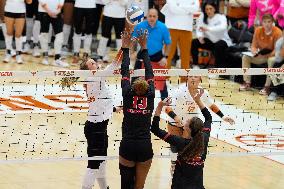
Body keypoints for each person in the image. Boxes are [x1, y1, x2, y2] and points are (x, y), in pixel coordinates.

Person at [164, 75, 235, 175]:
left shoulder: (203, 92)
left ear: (200, 79)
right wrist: (176, 117)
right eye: (191, 76)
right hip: (174, 122)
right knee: (174, 146)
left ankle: (184, 167)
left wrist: (223, 117)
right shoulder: (178, 91)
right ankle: (173, 164)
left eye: (196, 76)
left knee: (187, 148)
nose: (193, 78)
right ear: (187, 79)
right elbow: (167, 108)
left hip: (190, 124)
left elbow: (211, 105)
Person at [151, 90, 212, 189]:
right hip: (198, 186)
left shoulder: (180, 142)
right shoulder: (204, 138)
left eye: (187, 122)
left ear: (188, 129)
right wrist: (198, 100)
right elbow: (208, 118)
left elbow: (155, 129)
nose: (186, 121)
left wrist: (159, 106)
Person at [78, 57, 122, 189]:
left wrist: (115, 108)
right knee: (94, 164)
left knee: (102, 161)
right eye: (92, 63)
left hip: (99, 126)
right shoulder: (95, 77)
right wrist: (124, 46)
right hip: (95, 128)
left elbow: (99, 103)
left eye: (94, 61)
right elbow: (115, 64)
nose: (95, 63)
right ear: (88, 70)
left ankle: (104, 187)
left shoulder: (93, 80)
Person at [119, 30, 155, 189]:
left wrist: (125, 48)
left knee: (126, 186)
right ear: (147, 86)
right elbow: (149, 71)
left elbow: (125, 69)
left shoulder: (127, 93)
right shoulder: (151, 95)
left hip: (127, 145)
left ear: (133, 86)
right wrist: (145, 47)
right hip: (145, 146)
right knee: (139, 187)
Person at [133, 8, 171, 100]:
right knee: (135, 78)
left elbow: (168, 43)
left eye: (154, 16)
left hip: (157, 56)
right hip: (142, 54)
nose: (152, 18)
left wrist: (165, 57)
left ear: (157, 17)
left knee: (161, 79)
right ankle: (133, 98)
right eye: (150, 16)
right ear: (147, 16)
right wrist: (133, 52)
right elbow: (133, 41)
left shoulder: (163, 27)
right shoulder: (140, 26)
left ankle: (165, 100)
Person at [240, 14, 282, 94]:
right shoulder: (258, 30)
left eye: (269, 22)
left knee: (271, 60)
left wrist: (267, 55)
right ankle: (247, 82)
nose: (267, 24)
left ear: (273, 22)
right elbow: (253, 45)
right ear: (262, 23)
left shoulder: (278, 32)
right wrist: (254, 51)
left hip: (273, 55)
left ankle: (267, 87)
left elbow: (277, 50)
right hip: (262, 55)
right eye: (265, 22)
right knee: (245, 57)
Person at [162, 0, 199, 82]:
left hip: (187, 28)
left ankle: (184, 81)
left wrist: (179, 6)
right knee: (168, 55)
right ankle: (164, 80)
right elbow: (173, 8)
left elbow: (196, 8)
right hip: (171, 27)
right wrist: (187, 9)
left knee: (185, 56)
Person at [191, 0, 232, 69]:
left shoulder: (221, 17)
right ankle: (195, 65)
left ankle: (218, 69)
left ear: (214, 9)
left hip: (222, 41)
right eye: (207, 9)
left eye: (210, 9)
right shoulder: (202, 16)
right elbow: (199, 28)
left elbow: (222, 27)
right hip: (210, 41)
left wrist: (208, 29)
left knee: (218, 45)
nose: (208, 11)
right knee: (194, 42)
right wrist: (200, 36)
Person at [38, 0, 69, 67]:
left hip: (56, 11)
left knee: (59, 34)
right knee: (44, 34)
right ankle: (45, 57)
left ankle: (57, 59)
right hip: (44, 11)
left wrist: (59, 8)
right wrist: (48, 11)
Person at [267, 30, 284, 101]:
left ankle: (274, 91)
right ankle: (274, 92)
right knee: (277, 65)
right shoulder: (280, 41)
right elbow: (279, 56)